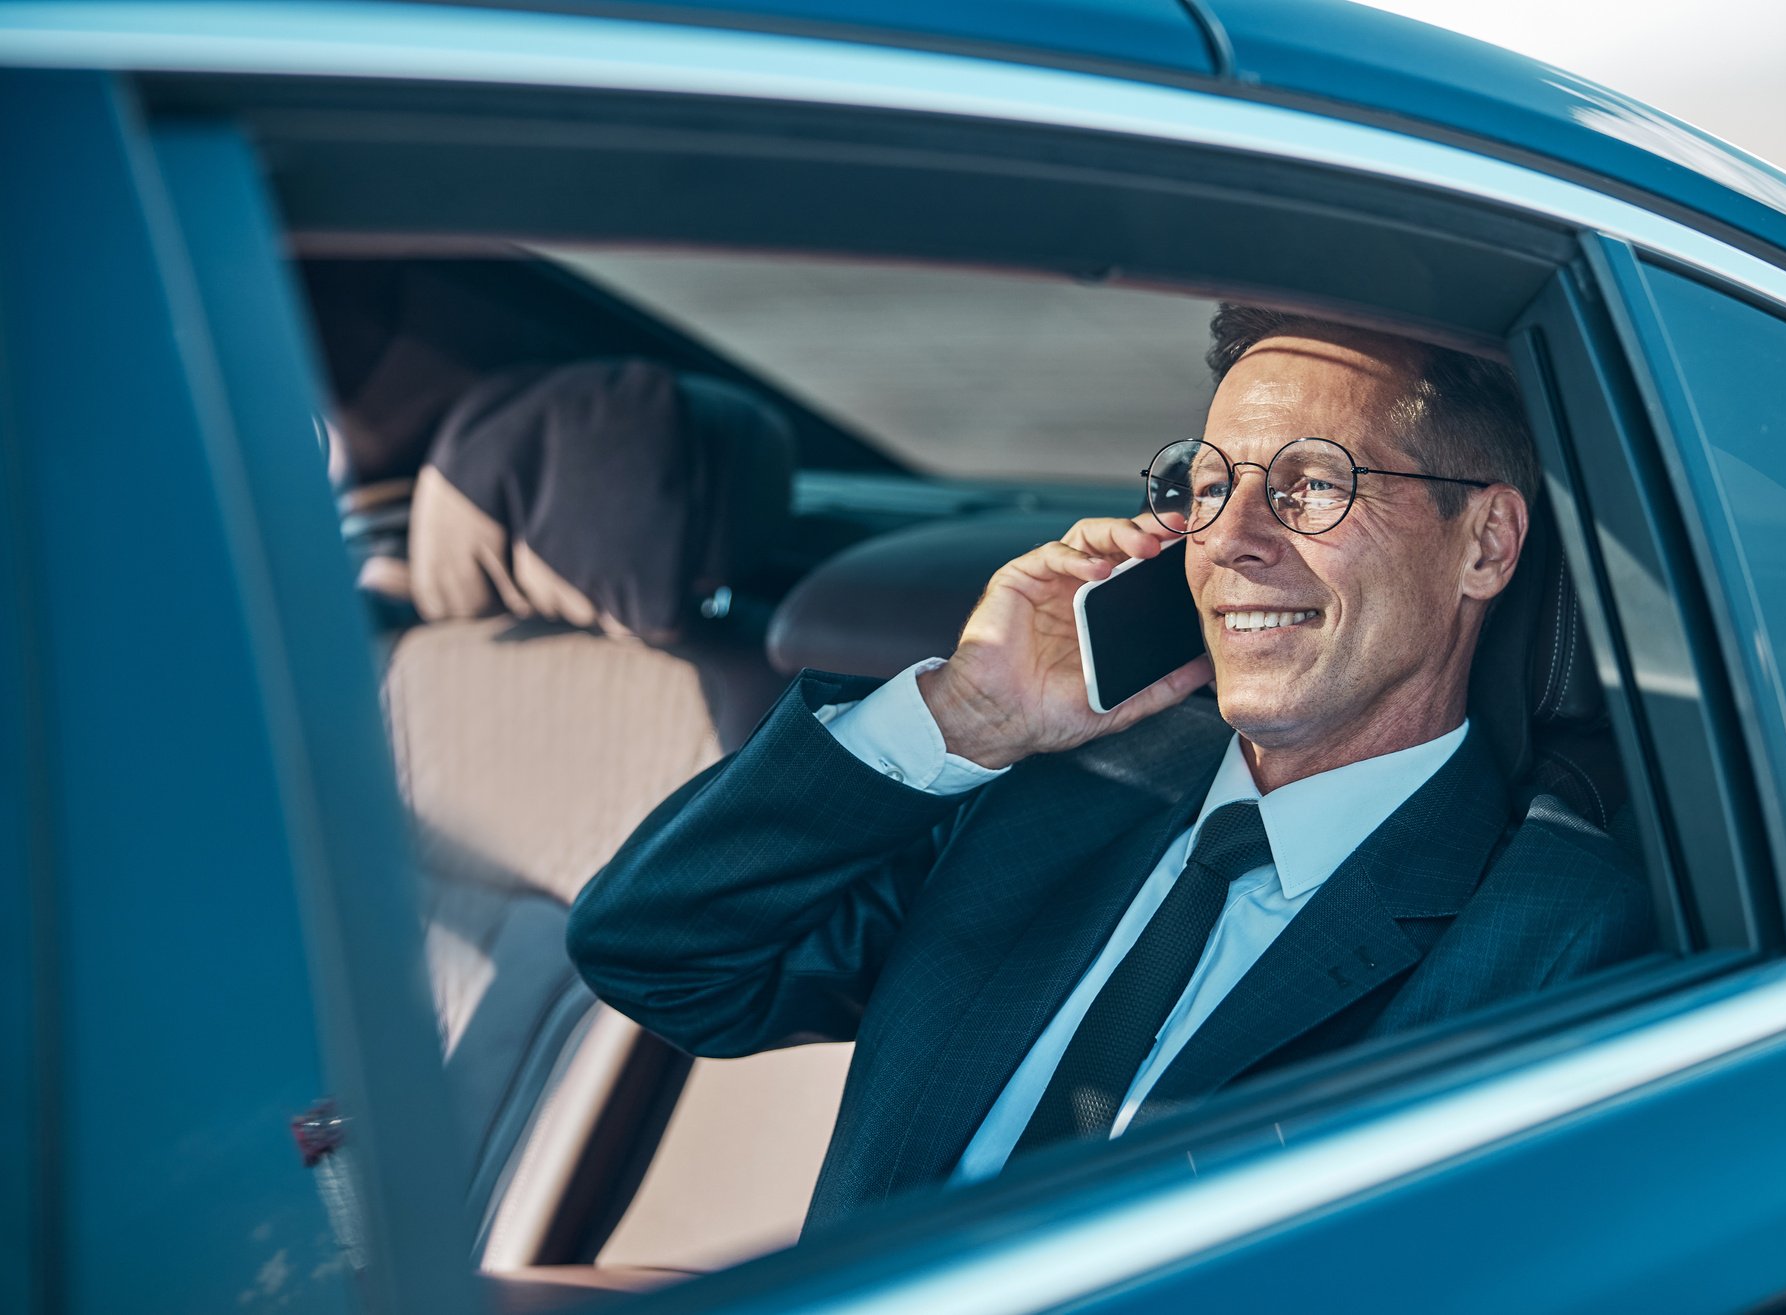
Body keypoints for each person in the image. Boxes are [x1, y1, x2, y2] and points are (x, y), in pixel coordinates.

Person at [566, 305, 1655, 1230]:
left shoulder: (1549, 933)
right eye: (1210, 482)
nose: (1231, 538)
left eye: (1313, 486)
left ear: (1486, 545)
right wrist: (966, 713)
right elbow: (657, 951)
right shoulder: (1057, 796)